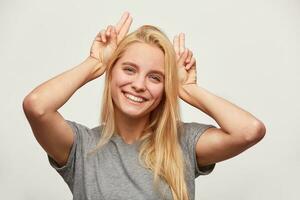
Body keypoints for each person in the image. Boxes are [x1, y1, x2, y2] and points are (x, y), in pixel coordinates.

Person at [22, 12, 266, 200]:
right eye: (129, 69)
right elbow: (37, 106)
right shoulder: (81, 146)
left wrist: (188, 90)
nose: (139, 85)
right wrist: (95, 63)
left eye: (155, 77)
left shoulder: (183, 142)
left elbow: (249, 130)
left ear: (165, 87)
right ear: (112, 72)